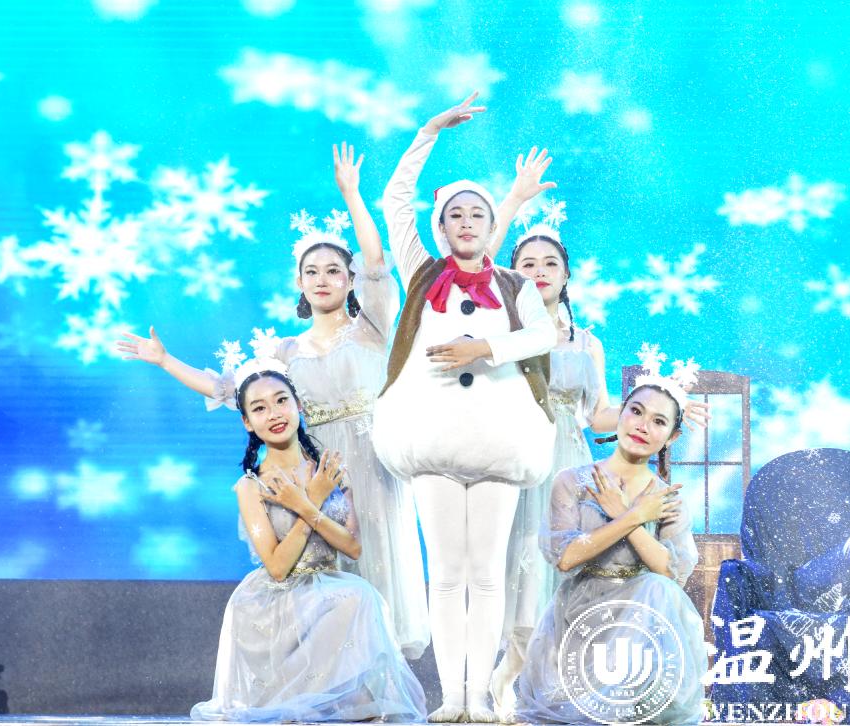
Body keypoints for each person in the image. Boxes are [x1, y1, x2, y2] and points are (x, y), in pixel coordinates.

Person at [116, 144, 429, 659]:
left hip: (375, 465)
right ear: (299, 282)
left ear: (349, 279)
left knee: (378, 565)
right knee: (326, 577)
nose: (323, 279)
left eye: (334, 270)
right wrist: (166, 360)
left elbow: (378, 263)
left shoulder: (373, 328)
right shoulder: (285, 352)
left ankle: (381, 678)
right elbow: (228, 390)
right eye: (313, 271)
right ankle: (332, 677)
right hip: (315, 471)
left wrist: (352, 194)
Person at [485, 160, 711, 718]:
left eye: (550, 263)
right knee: (519, 572)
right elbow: (475, 268)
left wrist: (662, 407)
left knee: (559, 575)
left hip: (568, 455)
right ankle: (512, 675)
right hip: (514, 456)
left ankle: (568, 681)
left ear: (567, 275)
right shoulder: (499, 332)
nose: (539, 271)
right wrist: (512, 201)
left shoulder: (587, 342)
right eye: (527, 263)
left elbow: (599, 415)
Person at [371, 92, 557, 723]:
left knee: (488, 574)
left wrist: (487, 347)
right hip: (435, 440)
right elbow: (395, 202)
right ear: (443, 226)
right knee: (447, 574)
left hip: (497, 441)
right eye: (456, 214)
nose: (469, 222)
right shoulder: (422, 274)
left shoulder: (515, 285)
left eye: (479, 213)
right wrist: (428, 130)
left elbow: (544, 335)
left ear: (490, 224)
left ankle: (481, 696)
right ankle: (452, 696)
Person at [190, 364, 425, 722]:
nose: (274, 413)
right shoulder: (252, 486)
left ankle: (338, 706)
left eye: (281, 401)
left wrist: (305, 502)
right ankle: (290, 701)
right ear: (247, 423)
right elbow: (277, 567)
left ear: (298, 405)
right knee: (355, 598)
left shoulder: (329, 471)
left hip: (328, 586)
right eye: (259, 408)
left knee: (361, 597)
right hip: (276, 602)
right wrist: (311, 500)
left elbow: (352, 547)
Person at [514, 358, 709, 725]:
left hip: (643, 620)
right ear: (621, 413)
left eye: (659, 421)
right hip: (582, 612)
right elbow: (566, 558)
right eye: (636, 411)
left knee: (657, 587)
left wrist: (624, 513)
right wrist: (633, 516)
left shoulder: (667, 498)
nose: (643, 426)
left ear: (672, 437)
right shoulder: (571, 481)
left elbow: (671, 573)